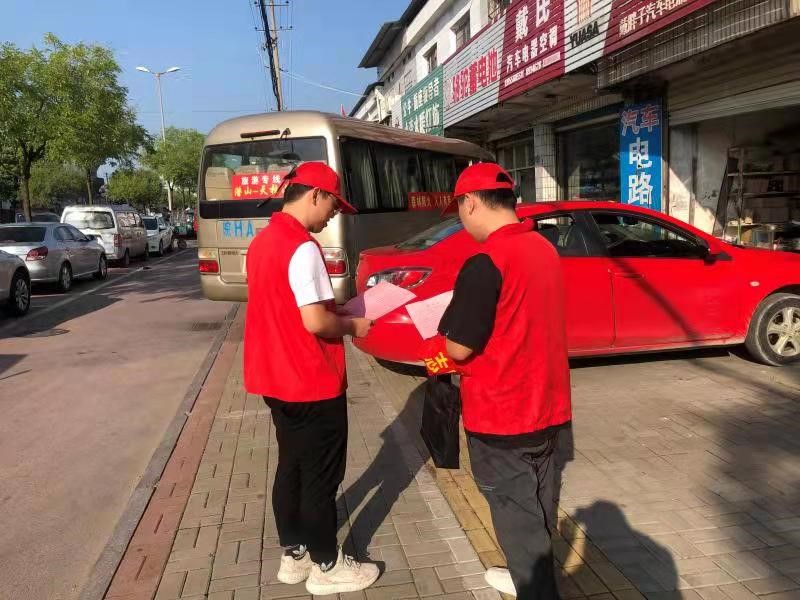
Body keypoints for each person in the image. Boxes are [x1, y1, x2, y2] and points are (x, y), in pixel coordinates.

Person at [243, 162, 380, 596]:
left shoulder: (263, 242)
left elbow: (285, 306)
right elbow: (316, 321)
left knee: (292, 466)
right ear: (315, 195)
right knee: (320, 477)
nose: (333, 215)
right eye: (333, 206)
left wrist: (335, 312)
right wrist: (353, 324)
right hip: (309, 378)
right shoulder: (303, 247)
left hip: (275, 376)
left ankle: (295, 554)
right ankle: (327, 564)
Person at [437, 163, 572, 599]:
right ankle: (526, 574)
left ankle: (534, 586)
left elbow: (458, 348)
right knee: (539, 508)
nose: (462, 219)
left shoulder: (486, 262)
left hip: (502, 416)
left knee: (518, 520)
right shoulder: (543, 248)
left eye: (459, 209)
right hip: (548, 407)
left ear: (470, 203)